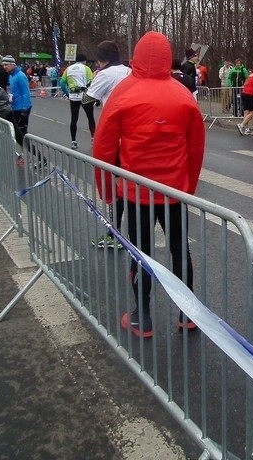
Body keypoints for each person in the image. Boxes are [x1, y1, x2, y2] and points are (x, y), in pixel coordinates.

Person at [93, 30, 205, 338]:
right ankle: (188, 314)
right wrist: (188, 187)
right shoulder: (183, 93)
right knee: (179, 250)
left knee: (140, 252)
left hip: (135, 191)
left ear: (137, 57)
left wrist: (105, 188)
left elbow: (103, 145)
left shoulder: (123, 92)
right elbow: (195, 149)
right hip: (174, 192)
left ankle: (143, 317)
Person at [82, 41, 130, 107]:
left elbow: (86, 100)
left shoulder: (104, 74)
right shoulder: (129, 71)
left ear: (100, 58)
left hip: (113, 114)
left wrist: (92, 81)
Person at [64, 53, 95, 149]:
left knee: (74, 119)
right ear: (84, 60)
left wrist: (67, 93)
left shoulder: (68, 69)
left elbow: (62, 82)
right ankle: (93, 140)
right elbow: (91, 82)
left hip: (73, 96)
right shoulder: (86, 68)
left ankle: (73, 141)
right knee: (90, 118)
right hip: (85, 95)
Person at [2, 55, 33, 138]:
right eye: (3, 65)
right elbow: (13, 91)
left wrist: (25, 109)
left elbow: (26, 92)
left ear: (13, 64)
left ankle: (33, 151)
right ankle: (25, 150)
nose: (4, 67)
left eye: (6, 65)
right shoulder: (11, 76)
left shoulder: (20, 76)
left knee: (22, 133)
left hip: (22, 108)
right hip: (14, 107)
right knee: (17, 133)